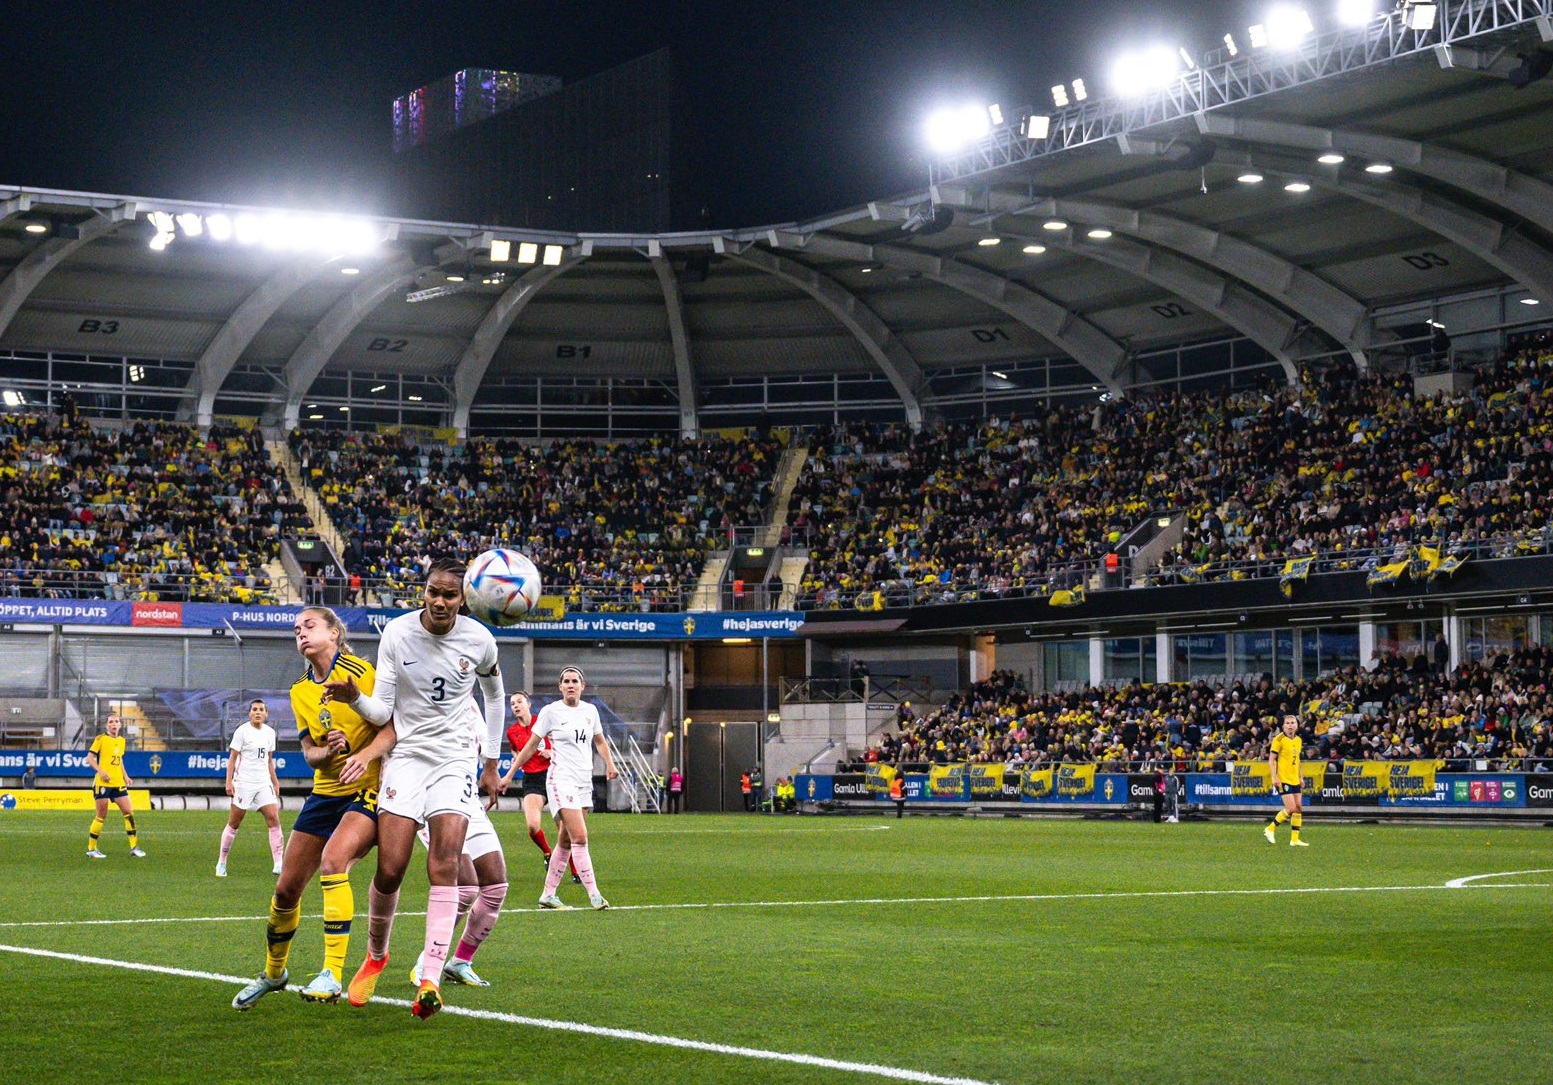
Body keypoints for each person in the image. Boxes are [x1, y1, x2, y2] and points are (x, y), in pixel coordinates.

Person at [326, 557, 506, 1021]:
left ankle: (431, 973)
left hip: (454, 761)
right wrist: (354, 699)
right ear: (422, 592)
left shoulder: (480, 640)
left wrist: (490, 761)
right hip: (405, 757)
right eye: (433, 592)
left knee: (444, 863)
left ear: (463, 598)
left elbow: (495, 696)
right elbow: (382, 709)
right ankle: (377, 954)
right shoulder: (398, 634)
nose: (440, 601)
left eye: (450, 594)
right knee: (391, 869)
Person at [231, 606, 382, 1011]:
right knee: (286, 889)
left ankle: (332, 973)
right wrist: (325, 750)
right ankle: (274, 973)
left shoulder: (362, 672)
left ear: (334, 633)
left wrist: (364, 756)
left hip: (366, 791)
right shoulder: (300, 690)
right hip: (323, 794)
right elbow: (308, 753)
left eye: (309, 625)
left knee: (334, 862)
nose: (300, 633)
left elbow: (392, 726)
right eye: (296, 629)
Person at [510, 666, 619, 911]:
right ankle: (595, 895)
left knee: (566, 840)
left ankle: (548, 895)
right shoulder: (551, 711)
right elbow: (531, 745)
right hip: (561, 778)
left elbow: (599, 740)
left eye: (575, 681)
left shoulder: (591, 711)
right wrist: (508, 774)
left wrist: (610, 764)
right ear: (560, 687)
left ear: (583, 686)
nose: (571, 685)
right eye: (566, 681)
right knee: (580, 836)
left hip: (583, 780)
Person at [497, 691, 578, 883]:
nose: (515, 706)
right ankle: (547, 852)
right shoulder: (512, 732)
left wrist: (551, 751)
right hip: (532, 781)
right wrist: (514, 766)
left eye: (519, 702)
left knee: (564, 829)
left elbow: (564, 743)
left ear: (529, 704)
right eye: (512, 703)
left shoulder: (543, 722)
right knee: (533, 826)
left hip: (554, 775)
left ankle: (575, 871)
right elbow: (516, 752)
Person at [217, 699, 284, 877]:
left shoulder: (270, 733)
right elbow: (232, 758)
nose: (258, 712)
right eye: (254, 709)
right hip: (244, 783)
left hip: (263, 783)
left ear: (266, 714)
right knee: (234, 823)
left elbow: (269, 760)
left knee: (273, 819)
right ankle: (222, 862)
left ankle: (279, 864)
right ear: (249, 713)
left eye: (261, 710)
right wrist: (229, 782)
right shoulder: (242, 731)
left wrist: (275, 782)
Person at [85, 713, 145, 859]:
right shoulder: (101, 739)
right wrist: (101, 771)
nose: (113, 724)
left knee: (129, 812)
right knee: (101, 816)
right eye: (111, 722)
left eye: (116, 721)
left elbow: (119, 760)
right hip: (103, 783)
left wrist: (125, 776)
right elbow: (89, 759)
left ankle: (134, 847)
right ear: (107, 725)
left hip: (118, 782)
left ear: (120, 725)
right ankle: (92, 849)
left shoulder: (122, 741)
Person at [1264, 714, 1309, 847]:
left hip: (1294, 778)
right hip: (1283, 779)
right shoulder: (1279, 739)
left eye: (1292, 723)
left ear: (1297, 725)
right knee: (1290, 808)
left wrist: (1300, 776)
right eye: (1288, 723)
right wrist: (1274, 777)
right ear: (1284, 725)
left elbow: (1298, 760)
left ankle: (1294, 839)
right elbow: (1271, 759)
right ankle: (1270, 828)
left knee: (1298, 808)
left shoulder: (1298, 740)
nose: (1290, 725)